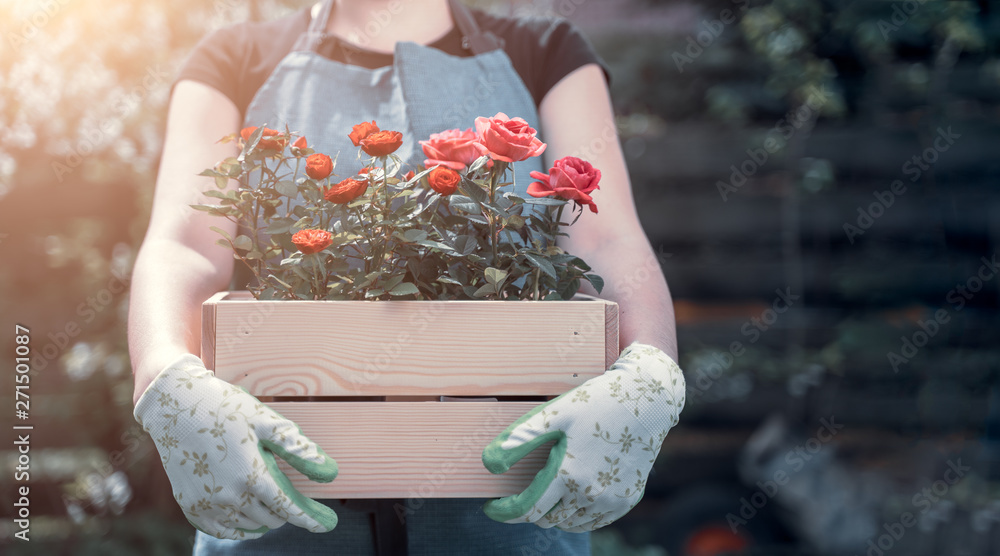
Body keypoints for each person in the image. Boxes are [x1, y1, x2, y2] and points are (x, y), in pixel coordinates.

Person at [128, 0, 686, 554]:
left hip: (511, 519)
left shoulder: (545, 52)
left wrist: (650, 368)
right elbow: (184, 244)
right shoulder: (234, 57)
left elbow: (607, 240)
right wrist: (166, 376)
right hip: (277, 516)